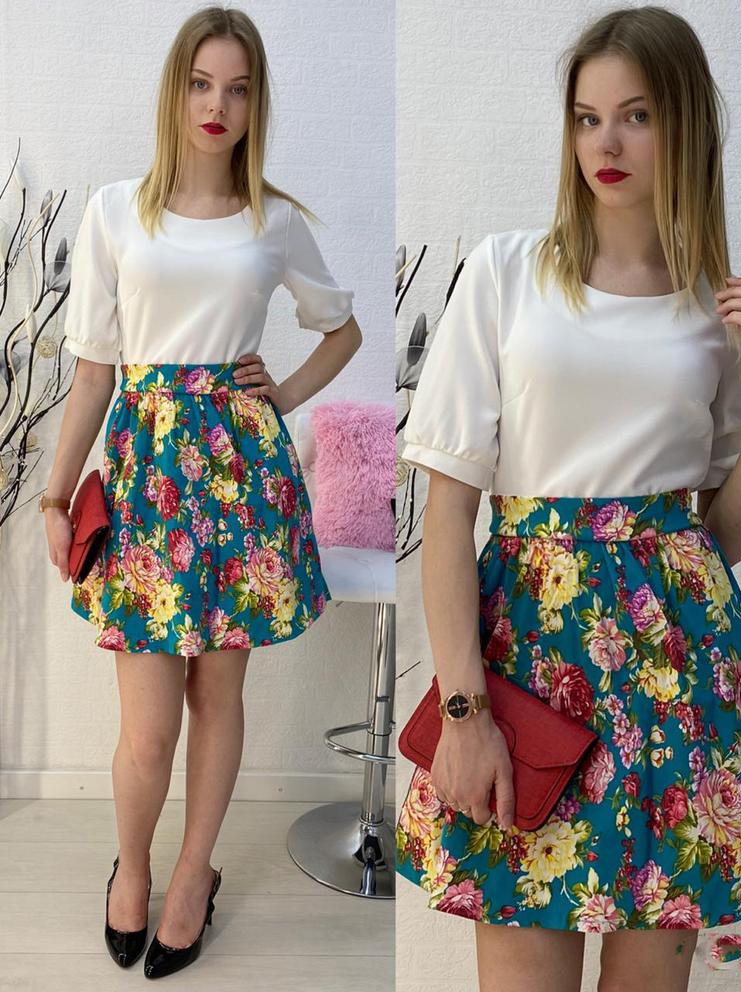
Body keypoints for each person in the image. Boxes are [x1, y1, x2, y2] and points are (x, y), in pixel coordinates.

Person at [394, 6, 741, 991]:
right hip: (529, 670)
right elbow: (449, 514)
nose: (605, 143)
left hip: (681, 677)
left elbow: (724, 535)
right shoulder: (505, 273)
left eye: (637, 115)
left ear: (684, 126)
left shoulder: (716, 309)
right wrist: (463, 711)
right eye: (586, 117)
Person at [40, 6, 362, 981]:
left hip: (241, 480)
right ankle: (132, 866)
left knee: (219, 692)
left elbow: (340, 327)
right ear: (175, 90)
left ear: (255, 103)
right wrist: (56, 494)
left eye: (238, 88)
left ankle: (193, 874)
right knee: (148, 726)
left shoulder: (275, 219)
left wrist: (285, 395)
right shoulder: (115, 211)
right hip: (145, 477)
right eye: (200, 82)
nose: (217, 104)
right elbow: (95, 369)